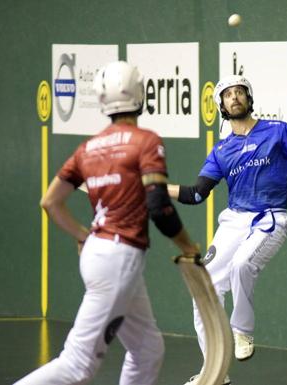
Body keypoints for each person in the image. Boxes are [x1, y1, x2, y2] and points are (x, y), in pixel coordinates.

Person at [13, 61, 200, 385]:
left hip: (99, 251)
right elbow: (158, 206)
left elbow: (50, 202)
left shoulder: (87, 149)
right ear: (139, 95)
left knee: (148, 349)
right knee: (76, 367)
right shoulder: (145, 140)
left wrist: (82, 235)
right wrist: (188, 245)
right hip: (119, 256)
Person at [168, 75, 287, 385]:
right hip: (235, 220)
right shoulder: (221, 151)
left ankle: (242, 331)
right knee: (203, 288)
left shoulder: (276, 131)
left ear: (249, 98)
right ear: (221, 106)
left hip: (270, 217)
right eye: (228, 95)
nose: (234, 98)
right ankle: (214, 372)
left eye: (239, 93)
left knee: (243, 264)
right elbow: (196, 194)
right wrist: (158, 188)